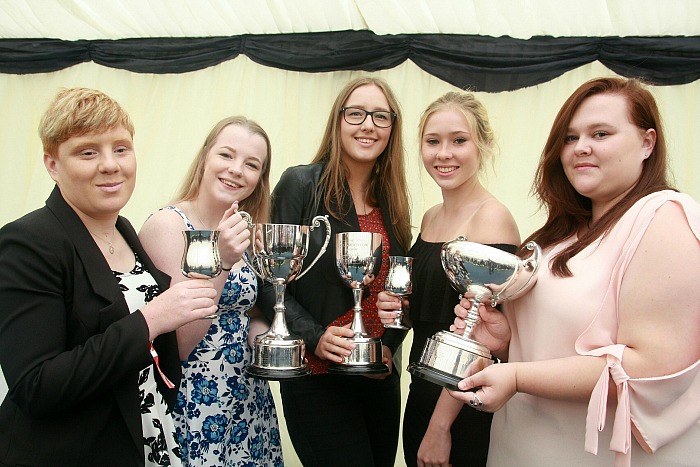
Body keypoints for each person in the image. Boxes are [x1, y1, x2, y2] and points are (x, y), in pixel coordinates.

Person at [449, 77, 700, 466]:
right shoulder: (560, 235)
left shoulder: (663, 217)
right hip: (519, 445)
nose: (581, 147)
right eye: (570, 137)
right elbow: (556, 342)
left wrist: (517, 378)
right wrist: (505, 340)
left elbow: (650, 367)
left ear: (647, 143)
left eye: (600, 133)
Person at [0, 88, 219, 466]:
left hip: (147, 439)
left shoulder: (124, 230)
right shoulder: (28, 242)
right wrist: (151, 319)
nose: (110, 165)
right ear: (52, 165)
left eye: (121, 148)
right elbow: (36, 386)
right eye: (88, 152)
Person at [255, 76, 412, 467]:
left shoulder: (393, 201)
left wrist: (388, 349)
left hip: (379, 379)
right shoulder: (301, 184)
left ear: (393, 128)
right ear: (338, 121)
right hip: (319, 375)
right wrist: (315, 337)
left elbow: (402, 287)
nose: (368, 125)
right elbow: (268, 279)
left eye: (381, 116)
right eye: (356, 113)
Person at [376, 91, 520, 466]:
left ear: (482, 145)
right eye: (433, 141)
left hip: (461, 401)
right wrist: (400, 311)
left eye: (459, 140)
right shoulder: (429, 218)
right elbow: (429, 312)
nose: (444, 153)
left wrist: (440, 428)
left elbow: (479, 340)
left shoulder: (492, 220)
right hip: (421, 392)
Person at [139, 116, 283, 466]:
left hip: (247, 402)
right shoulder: (168, 226)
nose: (237, 170)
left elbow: (243, 310)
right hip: (195, 404)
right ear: (205, 157)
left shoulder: (244, 230)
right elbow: (178, 343)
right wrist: (223, 261)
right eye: (226, 155)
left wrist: (264, 335)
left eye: (252, 165)